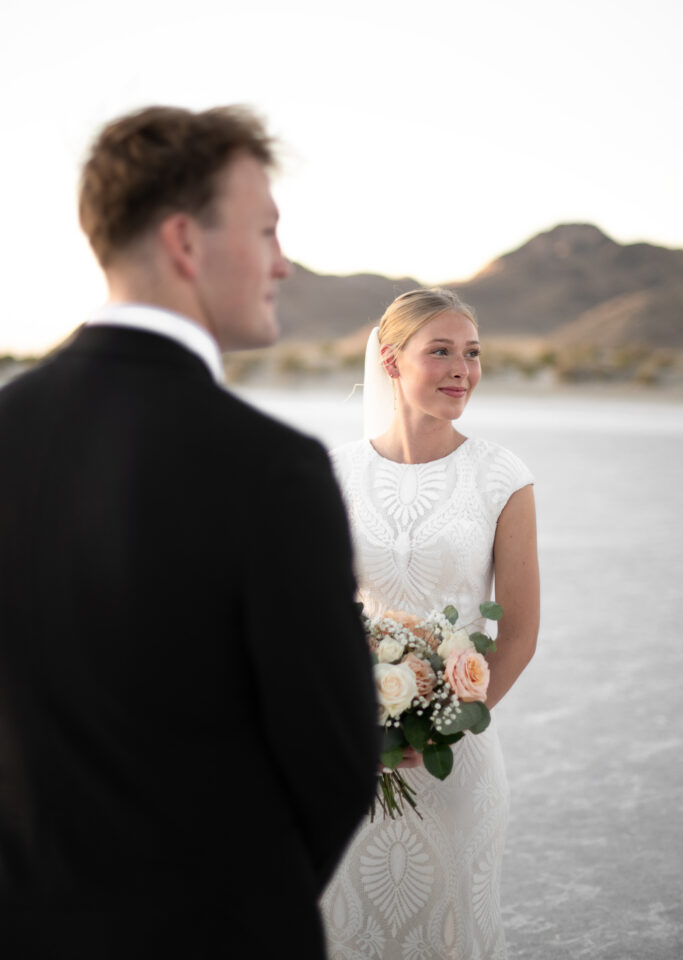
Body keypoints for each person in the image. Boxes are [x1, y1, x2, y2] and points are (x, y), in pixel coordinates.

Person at [0, 105, 377, 957]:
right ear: (184, 243)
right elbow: (336, 762)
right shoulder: (271, 468)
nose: (283, 263)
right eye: (267, 231)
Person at [320, 288, 540, 959]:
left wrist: (440, 727)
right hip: (353, 760)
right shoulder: (335, 473)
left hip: (458, 765)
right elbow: (313, 621)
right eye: (439, 351)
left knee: (452, 933)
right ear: (390, 362)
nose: (461, 370)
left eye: (471, 353)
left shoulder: (501, 476)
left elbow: (519, 632)